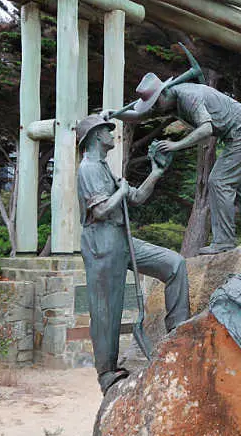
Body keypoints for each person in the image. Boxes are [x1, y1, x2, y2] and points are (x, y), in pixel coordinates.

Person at [76, 115, 190, 394]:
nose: (112, 135)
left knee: (174, 264)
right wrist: (121, 191)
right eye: (106, 131)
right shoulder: (88, 169)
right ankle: (106, 373)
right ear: (94, 137)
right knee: (106, 310)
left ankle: (179, 333)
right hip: (101, 242)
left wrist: (156, 171)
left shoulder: (104, 168)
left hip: (121, 238)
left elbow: (136, 197)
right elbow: (100, 211)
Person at [105, 74, 241, 254]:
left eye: (156, 103)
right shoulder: (169, 101)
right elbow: (141, 115)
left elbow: (206, 129)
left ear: (163, 93)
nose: (155, 108)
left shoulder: (188, 96)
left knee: (219, 182)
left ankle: (224, 241)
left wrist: (176, 145)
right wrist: (115, 114)